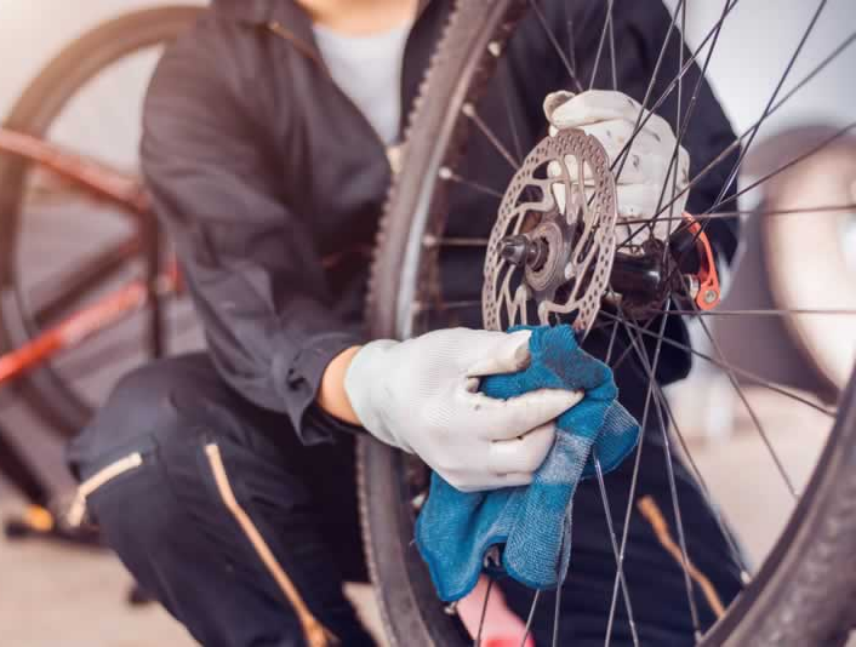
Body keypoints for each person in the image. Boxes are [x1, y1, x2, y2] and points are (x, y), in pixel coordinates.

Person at [66, 1, 744, 645]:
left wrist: (662, 217)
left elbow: (706, 217)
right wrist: (378, 386)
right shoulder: (203, 75)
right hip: (349, 443)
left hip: (569, 438)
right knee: (145, 445)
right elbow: (247, 290)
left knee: (740, 624)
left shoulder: (567, 7)